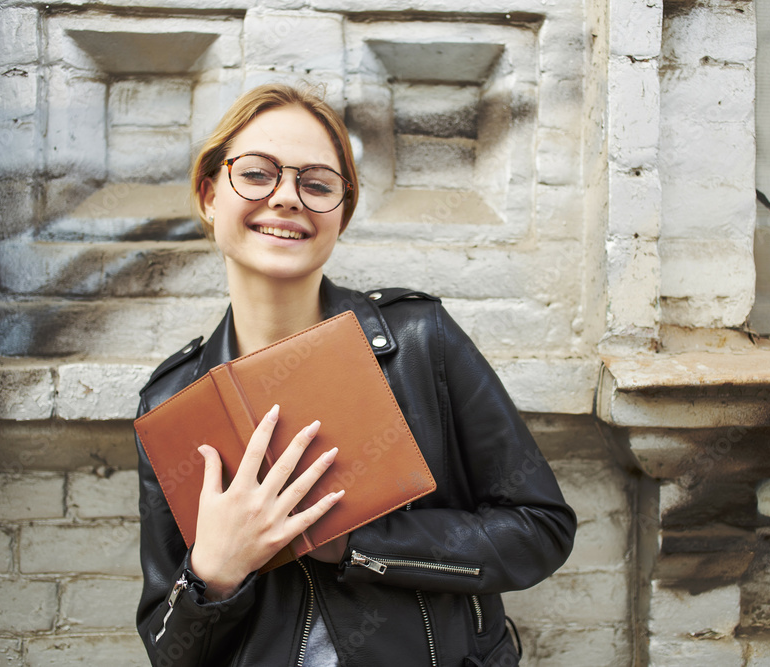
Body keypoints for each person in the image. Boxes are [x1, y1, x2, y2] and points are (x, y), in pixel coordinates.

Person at [135, 82, 576, 667]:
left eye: (316, 184)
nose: (287, 198)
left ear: (342, 212)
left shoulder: (420, 341)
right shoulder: (172, 402)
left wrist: (358, 545)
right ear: (210, 194)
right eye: (258, 173)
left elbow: (539, 529)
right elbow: (168, 652)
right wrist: (212, 574)